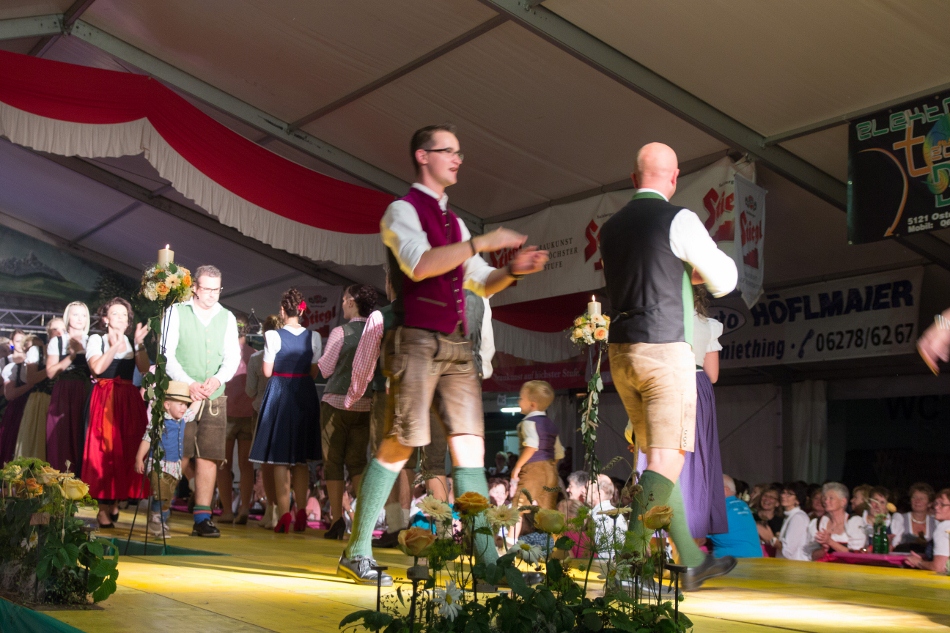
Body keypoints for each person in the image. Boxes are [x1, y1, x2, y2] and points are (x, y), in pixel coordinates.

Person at [337, 123, 548, 585]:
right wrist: (478, 244)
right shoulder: (401, 211)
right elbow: (418, 264)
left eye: (459, 152)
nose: (457, 159)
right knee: (400, 444)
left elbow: (482, 282)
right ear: (422, 156)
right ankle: (357, 550)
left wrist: (512, 270)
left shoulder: (456, 222)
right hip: (415, 340)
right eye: (448, 151)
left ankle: (488, 563)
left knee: (471, 451)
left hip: (457, 344)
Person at [600, 141, 738, 590]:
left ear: (633, 178)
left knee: (658, 461)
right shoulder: (679, 218)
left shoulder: (610, 229)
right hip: (664, 348)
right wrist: (691, 270)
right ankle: (628, 568)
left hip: (622, 352)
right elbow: (725, 279)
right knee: (666, 458)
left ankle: (692, 560)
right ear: (675, 178)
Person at [164, 265, 241, 538]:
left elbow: (232, 357)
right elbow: (167, 354)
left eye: (216, 290)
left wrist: (218, 380)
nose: (211, 295)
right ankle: (160, 510)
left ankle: (202, 518)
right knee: (178, 454)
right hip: (181, 394)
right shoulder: (176, 312)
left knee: (209, 455)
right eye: (206, 289)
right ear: (195, 287)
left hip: (213, 396)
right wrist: (188, 383)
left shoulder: (227, 317)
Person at [249, 288, 322, 533]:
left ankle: (284, 514)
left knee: (280, 458)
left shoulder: (273, 336)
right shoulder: (314, 337)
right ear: (301, 310)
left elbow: (267, 371)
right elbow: (314, 372)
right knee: (301, 459)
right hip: (304, 393)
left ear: (282, 310)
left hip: (280, 392)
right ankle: (301, 510)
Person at [81, 298, 150, 528]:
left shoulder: (132, 342)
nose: (120, 318)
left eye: (124, 315)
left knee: (126, 450)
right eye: (115, 314)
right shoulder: (97, 339)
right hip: (105, 400)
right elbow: (97, 368)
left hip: (128, 400)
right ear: (105, 318)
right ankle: (102, 509)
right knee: (103, 451)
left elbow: (143, 368)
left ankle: (116, 500)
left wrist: (139, 344)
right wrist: (113, 345)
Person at [317, 284, 377, 539]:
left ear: (352, 302)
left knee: (333, 462)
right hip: (366, 404)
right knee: (358, 462)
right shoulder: (377, 332)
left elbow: (325, 369)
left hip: (336, 404)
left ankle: (336, 520)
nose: (342, 304)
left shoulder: (341, 332)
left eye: (343, 300)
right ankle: (363, 523)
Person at [681, 285, 728, 540]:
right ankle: (694, 524)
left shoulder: (662, 317)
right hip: (697, 385)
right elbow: (713, 375)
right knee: (695, 456)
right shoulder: (708, 324)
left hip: (671, 382)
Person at [135, 380, 193, 537]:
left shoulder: (182, 418)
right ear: (167, 405)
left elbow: (194, 409)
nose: (184, 408)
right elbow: (147, 439)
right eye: (180, 404)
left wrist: (200, 394)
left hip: (174, 464)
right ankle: (155, 516)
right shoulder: (159, 421)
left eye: (185, 404)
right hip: (157, 463)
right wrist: (139, 458)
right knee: (162, 491)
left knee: (168, 496)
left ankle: (160, 520)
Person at [509, 381, 563, 534]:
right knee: (549, 511)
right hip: (551, 469)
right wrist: (549, 466)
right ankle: (558, 544)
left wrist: (518, 466)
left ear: (532, 404)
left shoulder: (528, 423)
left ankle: (510, 542)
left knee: (517, 508)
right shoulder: (551, 425)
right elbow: (559, 453)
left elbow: (532, 445)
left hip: (533, 469)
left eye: (521, 398)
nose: (518, 401)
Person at [217, 322, 257, 524]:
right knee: (246, 465)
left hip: (225, 412)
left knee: (223, 464)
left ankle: (226, 511)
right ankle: (244, 508)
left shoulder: (223, 353)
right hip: (249, 414)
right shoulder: (255, 355)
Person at [45, 302, 92, 472]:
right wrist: (72, 356)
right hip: (64, 393)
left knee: (82, 435)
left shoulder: (92, 341)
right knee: (61, 436)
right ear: (68, 317)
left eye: (83, 315)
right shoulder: (58, 341)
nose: (80, 319)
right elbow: (51, 373)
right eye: (75, 314)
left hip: (86, 391)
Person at [246, 314, 281, 528]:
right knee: (283, 464)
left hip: (262, 413)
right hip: (284, 411)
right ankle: (282, 509)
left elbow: (250, 391)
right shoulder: (289, 356)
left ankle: (271, 510)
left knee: (266, 464)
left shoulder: (256, 358)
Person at [14, 334, 53, 460]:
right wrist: (53, 367)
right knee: (35, 439)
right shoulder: (37, 352)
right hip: (40, 400)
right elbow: (31, 379)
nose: (59, 333)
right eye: (55, 329)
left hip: (61, 400)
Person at [705, 475, 762, 559]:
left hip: (733, 562)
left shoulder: (718, 509)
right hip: (755, 560)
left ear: (725, 490)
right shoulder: (743, 505)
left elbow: (698, 540)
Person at [807, 482, 867, 558]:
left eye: (831, 498)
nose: (826, 501)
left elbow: (856, 555)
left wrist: (830, 542)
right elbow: (811, 556)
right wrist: (824, 550)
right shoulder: (818, 523)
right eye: (825, 498)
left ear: (843, 502)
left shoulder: (854, 522)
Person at [0, 330, 31, 463]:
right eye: (18, 341)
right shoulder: (5, 362)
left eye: (24, 340)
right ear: (11, 343)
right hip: (7, 404)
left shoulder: (32, 360)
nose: (21, 343)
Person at [905, 488, 950, 574]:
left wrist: (918, 562)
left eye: (942, 504)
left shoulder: (944, 527)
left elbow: (939, 567)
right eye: (936, 503)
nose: (936, 507)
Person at [587, 474, 627, 558]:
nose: (584, 492)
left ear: (599, 493)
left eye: (587, 489)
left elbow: (600, 551)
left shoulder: (597, 516)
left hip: (601, 564)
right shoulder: (619, 515)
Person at [891, 482, 938, 552]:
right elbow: (893, 546)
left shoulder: (935, 523)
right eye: (914, 497)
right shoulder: (900, 518)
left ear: (929, 504)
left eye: (922, 498)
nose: (917, 501)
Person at [775, 482, 811, 561]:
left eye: (789, 494)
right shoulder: (790, 516)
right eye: (783, 492)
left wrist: (772, 540)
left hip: (795, 565)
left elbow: (788, 552)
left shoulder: (798, 517)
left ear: (797, 500)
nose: (783, 496)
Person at [753, 485, 783, 555]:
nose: (767, 499)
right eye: (765, 496)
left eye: (771, 497)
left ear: (777, 503)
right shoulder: (751, 517)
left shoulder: (780, 522)